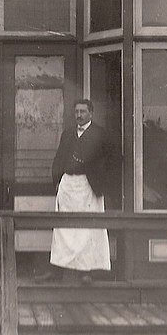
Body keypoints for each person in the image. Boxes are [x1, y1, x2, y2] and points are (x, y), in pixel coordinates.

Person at [36, 98, 115, 284]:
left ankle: (86, 272)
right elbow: (59, 157)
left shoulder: (100, 134)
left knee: (87, 229)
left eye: (83, 112)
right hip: (68, 186)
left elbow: (113, 161)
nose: (79, 115)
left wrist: (101, 181)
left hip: (89, 187)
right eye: (76, 112)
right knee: (63, 229)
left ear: (91, 113)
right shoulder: (68, 134)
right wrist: (57, 179)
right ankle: (56, 271)